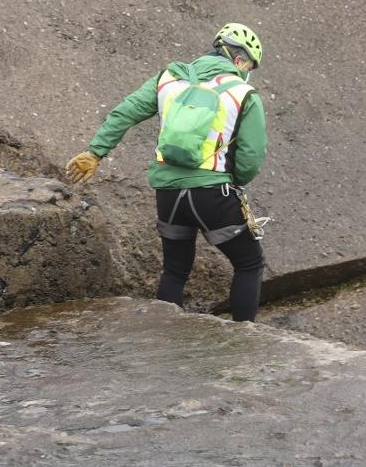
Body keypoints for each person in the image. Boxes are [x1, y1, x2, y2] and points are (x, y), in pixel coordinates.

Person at [65, 22, 268, 320]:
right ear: (239, 60)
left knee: (175, 270)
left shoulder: (168, 78)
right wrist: (235, 181)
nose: (247, 71)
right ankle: (244, 345)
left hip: (168, 195)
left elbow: (125, 112)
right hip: (214, 195)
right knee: (249, 264)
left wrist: (95, 152)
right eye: (249, 64)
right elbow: (251, 157)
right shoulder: (244, 94)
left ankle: (164, 341)